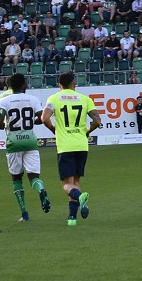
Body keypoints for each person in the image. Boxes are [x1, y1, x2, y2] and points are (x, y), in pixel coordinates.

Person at [42, 71, 101, 227]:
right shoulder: (85, 99)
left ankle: (80, 196)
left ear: (60, 85)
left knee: (67, 185)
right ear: (74, 84)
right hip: (82, 145)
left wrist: (54, 129)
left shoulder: (54, 98)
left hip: (65, 146)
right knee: (75, 181)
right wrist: (87, 131)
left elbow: (44, 118)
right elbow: (97, 120)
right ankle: (72, 219)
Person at [0, 73, 51, 222]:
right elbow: (42, 118)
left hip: (13, 143)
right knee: (34, 176)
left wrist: (6, 126)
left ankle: (25, 213)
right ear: (22, 85)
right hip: (30, 142)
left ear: (11, 86)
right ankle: (41, 190)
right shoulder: (33, 99)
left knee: (16, 178)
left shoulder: (4, 101)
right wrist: (32, 121)